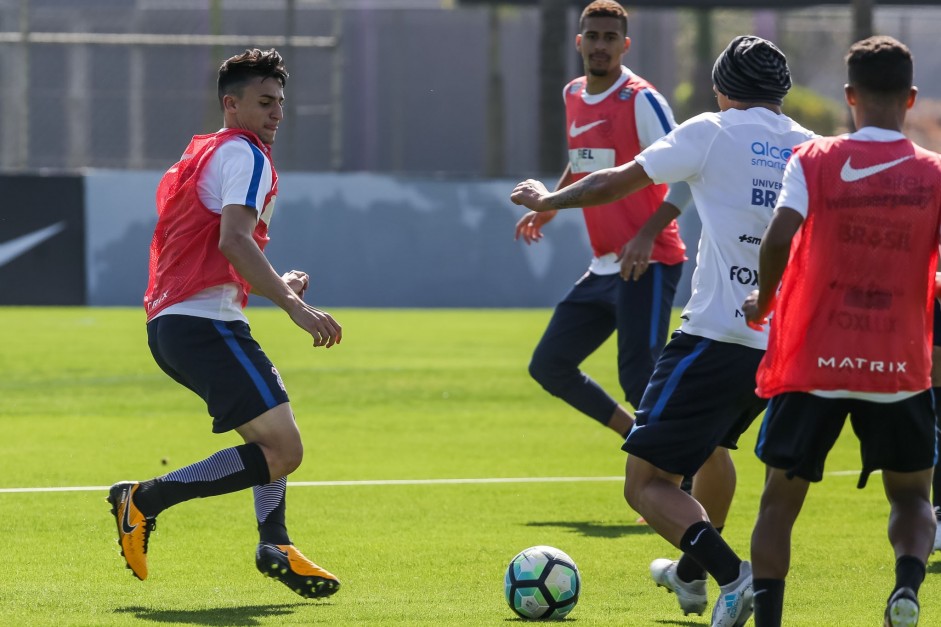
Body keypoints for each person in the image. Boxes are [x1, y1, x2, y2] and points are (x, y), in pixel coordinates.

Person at [512, 35, 814, 627]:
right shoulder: (811, 149)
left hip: (714, 338)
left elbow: (615, 181)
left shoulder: (712, 130)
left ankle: (733, 576)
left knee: (647, 482)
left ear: (722, 88)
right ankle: (692, 576)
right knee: (713, 453)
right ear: (780, 92)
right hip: (780, 348)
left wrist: (551, 198)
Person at [106, 48, 342, 599]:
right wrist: (294, 306)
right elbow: (232, 240)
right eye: (265, 102)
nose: (277, 113)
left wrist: (278, 282)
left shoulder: (204, 153)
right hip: (202, 326)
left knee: (270, 432)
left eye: (281, 103)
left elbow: (217, 256)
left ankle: (275, 541)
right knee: (284, 449)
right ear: (230, 103)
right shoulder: (247, 155)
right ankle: (144, 500)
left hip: (177, 325)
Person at [743, 36, 941, 627]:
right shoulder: (935, 174)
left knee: (780, 501)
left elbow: (779, 236)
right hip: (897, 365)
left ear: (849, 95)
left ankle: (771, 620)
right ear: (909, 97)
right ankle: (906, 588)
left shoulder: (814, 160)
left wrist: (764, 298)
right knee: (911, 496)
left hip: (815, 363)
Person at [514, 0, 688, 439]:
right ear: (579, 41)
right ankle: (641, 439)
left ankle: (681, 479)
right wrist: (551, 203)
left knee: (640, 379)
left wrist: (648, 235)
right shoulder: (573, 93)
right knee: (549, 365)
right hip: (604, 264)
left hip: (648, 262)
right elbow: (585, 162)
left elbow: (689, 176)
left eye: (610, 37)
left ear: (625, 45)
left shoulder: (642, 100)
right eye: (592, 35)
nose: (600, 45)